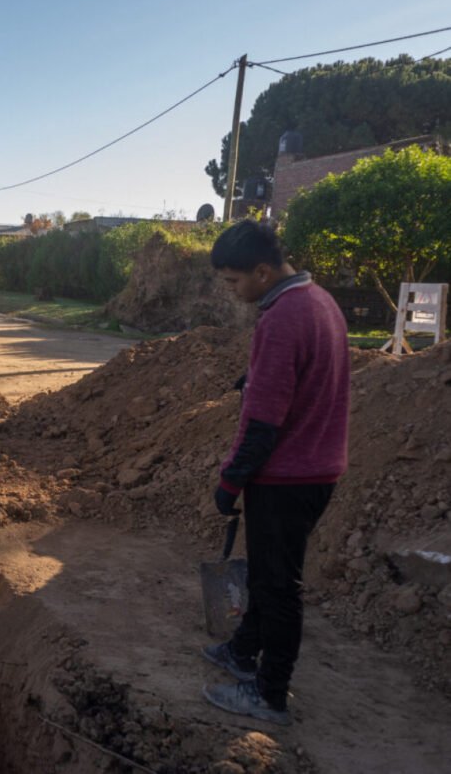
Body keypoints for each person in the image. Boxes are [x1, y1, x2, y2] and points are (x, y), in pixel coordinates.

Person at [201, 218, 349, 726]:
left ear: (262, 272)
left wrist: (230, 482)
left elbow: (263, 423)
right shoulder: (319, 300)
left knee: (279, 586)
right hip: (315, 468)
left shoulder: (282, 317)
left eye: (233, 281)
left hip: (287, 475)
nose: (232, 290)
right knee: (267, 574)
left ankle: (270, 695)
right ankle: (243, 651)